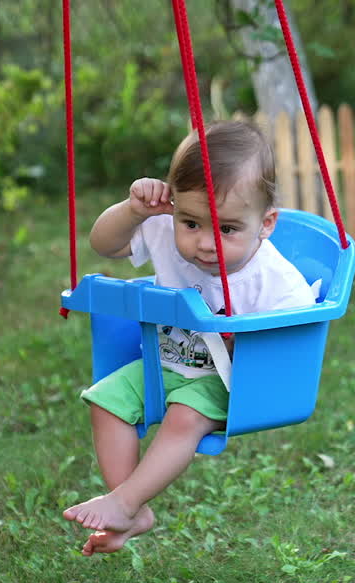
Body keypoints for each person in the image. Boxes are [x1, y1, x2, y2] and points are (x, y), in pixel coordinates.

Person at [63, 121, 316, 556]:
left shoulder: (274, 280)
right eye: (192, 222)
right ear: (175, 208)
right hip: (165, 363)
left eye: (228, 229)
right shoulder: (164, 231)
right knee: (104, 401)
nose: (205, 243)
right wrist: (133, 210)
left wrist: (250, 341)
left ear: (266, 223)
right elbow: (103, 244)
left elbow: (294, 335)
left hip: (225, 382)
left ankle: (123, 502)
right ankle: (130, 504)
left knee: (184, 417)